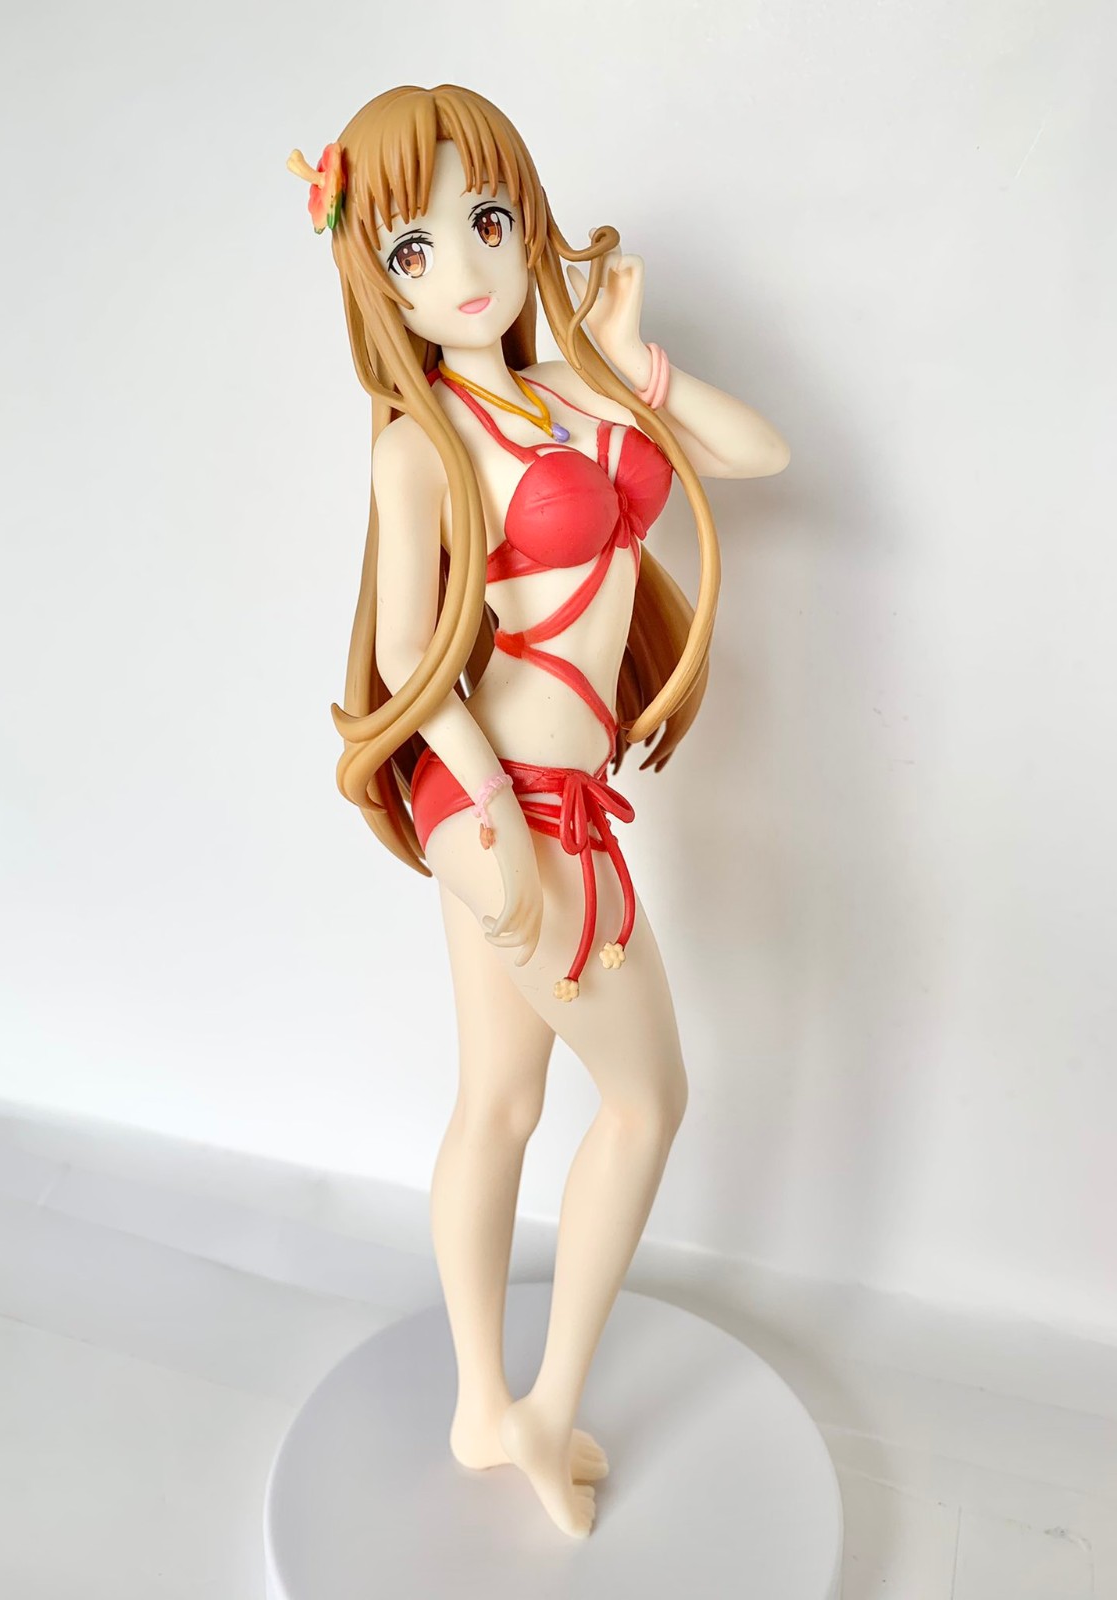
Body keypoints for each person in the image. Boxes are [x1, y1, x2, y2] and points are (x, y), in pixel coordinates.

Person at [287, 82, 789, 1540]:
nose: (463, 267)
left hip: (554, 801)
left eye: (488, 221)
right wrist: (500, 821)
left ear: (527, 221)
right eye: (414, 250)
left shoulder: (575, 389)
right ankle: (542, 1408)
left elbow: (754, 456)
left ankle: (489, 1408)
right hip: (497, 807)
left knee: (505, 1101)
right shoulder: (417, 443)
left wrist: (635, 365)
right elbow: (405, 655)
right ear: (379, 284)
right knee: (648, 1100)